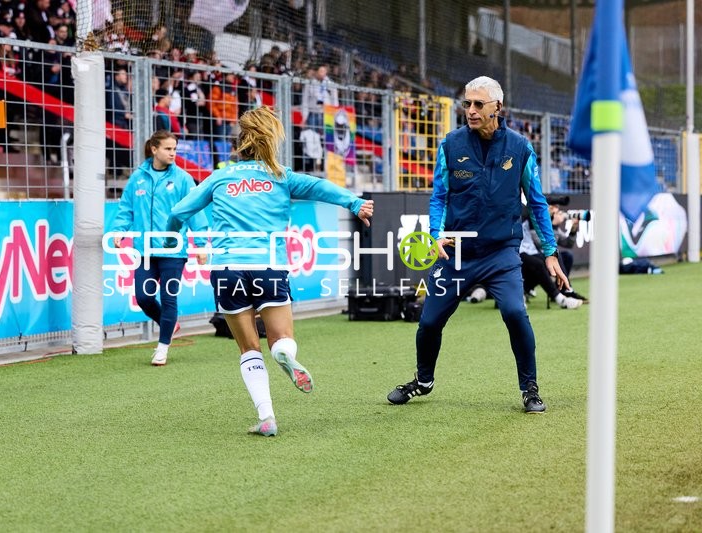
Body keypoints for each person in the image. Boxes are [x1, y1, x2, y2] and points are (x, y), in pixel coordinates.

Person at [167, 106, 374, 436]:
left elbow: (179, 210)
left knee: (249, 348)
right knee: (283, 338)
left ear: (239, 143)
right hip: (268, 267)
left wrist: (170, 234)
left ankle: (267, 418)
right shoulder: (281, 176)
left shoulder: (220, 177)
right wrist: (354, 203)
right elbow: (321, 187)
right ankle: (283, 354)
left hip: (227, 269)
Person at [386, 76, 569, 414]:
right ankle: (423, 381)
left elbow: (538, 203)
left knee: (515, 312)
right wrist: (437, 232)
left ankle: (529, 388)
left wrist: (550, 253)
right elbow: (439, 196)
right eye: (467, 103)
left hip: (501, 254)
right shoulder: (450, 146)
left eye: (477, 104)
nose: (470, 110)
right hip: (456, 253)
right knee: (428, 322)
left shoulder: (520, 148)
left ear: (497, 107)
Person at [111, 131, 208, 366]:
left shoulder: (184, 179)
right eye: (167, 148)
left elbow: (194, 212)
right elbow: (126, 208)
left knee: (168, 297)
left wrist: (202, 244)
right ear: (154, 150)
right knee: (143, 297)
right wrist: (119, 230)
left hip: (173, 251)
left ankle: (162, 347)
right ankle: (169, 323)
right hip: (144, 250)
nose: (173, 153)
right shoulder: (137, 178)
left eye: (174, 149)